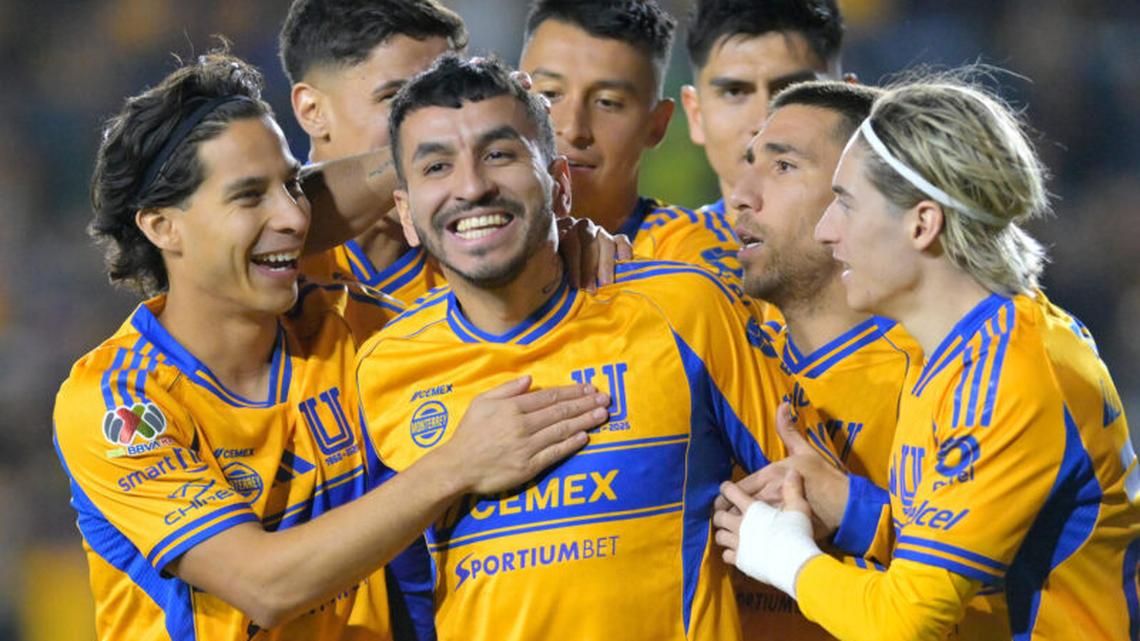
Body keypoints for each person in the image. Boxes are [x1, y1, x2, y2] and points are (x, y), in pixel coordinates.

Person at [53, 51, 611, 641]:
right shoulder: (117, 403)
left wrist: (552, 246)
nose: (294, 218)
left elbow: (505, 342)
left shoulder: (358, 332)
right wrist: (456, 465)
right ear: (163, 227)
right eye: (249, 196)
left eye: (292, 185)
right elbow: (266, 587)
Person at [357, 55, 827, 641]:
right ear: (405, 212)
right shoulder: (383, 366)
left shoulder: (684, 309)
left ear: (559, 185)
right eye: (436, 166)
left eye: (499, 155)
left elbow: (815, 494)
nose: (471, 187)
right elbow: (408, 599)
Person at [713, 75, 1140, 640]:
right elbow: (979, 545)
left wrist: (785, 559)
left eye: (846, 203)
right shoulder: (954, 348)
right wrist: (850, 507)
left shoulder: (1010, 375)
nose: (827, 230)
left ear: (922, 222)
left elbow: (905, 622)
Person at [727, 80, 924, 640]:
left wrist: (852, 509)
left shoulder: (945, 370)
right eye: (750, 163)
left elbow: (990, 572)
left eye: (784, 166)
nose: (742, 195)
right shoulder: (721, 342)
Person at [519, 0, 744, 288]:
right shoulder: (458, 248)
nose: (574, 129)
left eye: (607, 102)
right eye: (549, 94)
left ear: (657, 125)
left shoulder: (699, 266)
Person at [279, 0, 465, 302]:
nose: (441, 122)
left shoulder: (485, 261)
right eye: (397, 97)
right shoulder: (256, 262)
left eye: (452, 94)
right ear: (312, 110)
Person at [681, 0, 844, 221]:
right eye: (734, 92)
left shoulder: (898, 248)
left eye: (791, 90)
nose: (763, 123)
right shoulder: (652, 253)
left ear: (847, 105)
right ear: (696, 115)